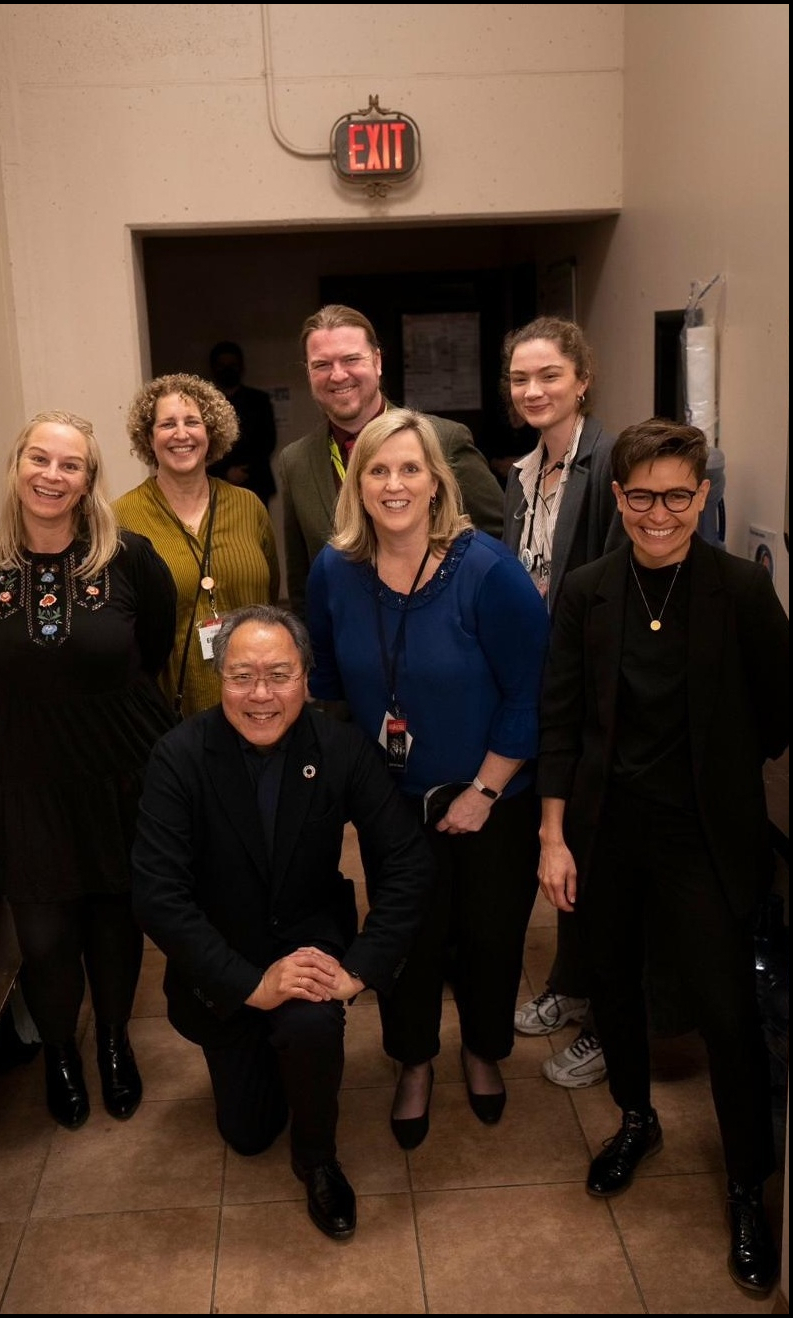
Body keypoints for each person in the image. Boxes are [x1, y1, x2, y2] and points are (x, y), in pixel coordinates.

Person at [536, 418, 788, 1296]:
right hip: (605, 835)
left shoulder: (739, 593)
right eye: (640, 495)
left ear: (703, 497)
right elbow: (560, 721)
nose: (658, 512)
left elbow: (778, 714)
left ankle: (747, 1186)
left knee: (727, 1014)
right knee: (614, 991)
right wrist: (553, 836)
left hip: (705, 840)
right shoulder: (588, 592)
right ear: (617, 498)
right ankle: (637, 1119)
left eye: (677, 495)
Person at [130, 605, 435, 1241]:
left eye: (279, 675)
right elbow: (160, 896)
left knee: (312, 1020)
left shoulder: (340, 748)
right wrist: (250, 984)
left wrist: (359, 968)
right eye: (242, 677)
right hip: (223, 959)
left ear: (306, 678)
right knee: (247, 1134)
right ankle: (268, 1056)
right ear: (220, 680)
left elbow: (407, 859)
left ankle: (319, 1160)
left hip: (309, 941)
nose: (261, 695)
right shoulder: (178, 757)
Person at [305, 408, 550, 1149]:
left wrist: (483, 792)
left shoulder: (488, 572)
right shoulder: (333, 570)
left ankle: (482, 1051)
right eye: (378, 469)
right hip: (392, 801)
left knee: (488, 935)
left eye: (411, 468)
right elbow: (325, 680)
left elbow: (531, 691)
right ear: (357, 483)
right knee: (405, 936)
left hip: (490, 797)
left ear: (438, 482)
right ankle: (413, 1061)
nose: (394, 483)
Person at [0, 410, 178, 1130]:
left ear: (88, 480)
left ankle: (112, 1044)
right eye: (39, 459)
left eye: (70, 464)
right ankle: (60, 1053)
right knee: (44, 938)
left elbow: (155, 653)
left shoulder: (132, 557)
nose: (52, 475)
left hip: (122, 771)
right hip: (28, 774)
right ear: (18, 468)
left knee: (115, 918)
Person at [501, 316, 625, 1090]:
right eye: (520, 379)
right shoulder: (520, 474)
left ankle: (612, 1020)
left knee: (601, 859)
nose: (533, 390)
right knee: (565, 849)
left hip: (596, 695)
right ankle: (574, 986)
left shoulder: (609, 462)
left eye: (548, 375)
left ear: (582, 379)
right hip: (544, 691)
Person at [279, 303, 505, 618]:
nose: (338, 374)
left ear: (377, 361)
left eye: (351, 359)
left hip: (442, 640)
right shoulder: (295, 462)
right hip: (348, 653)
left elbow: (501, 536)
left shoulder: (443, 440)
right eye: (322, 364)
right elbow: (303, 586)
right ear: (308, 373)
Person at [113, 373, 280, 718]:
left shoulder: (249, 506)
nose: (181, 434)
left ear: (211, 432)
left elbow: (270, 602)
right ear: (148, 437)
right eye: (167, 424)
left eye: (193, 421)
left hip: (258, 705)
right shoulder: (121, 518)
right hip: (166, 714)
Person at [205, 340, 278, 508]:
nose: (228, 369)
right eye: (222, 365)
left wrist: (245, 470)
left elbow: (268, 441)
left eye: (232, 365)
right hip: (215, 482)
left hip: (256, 481)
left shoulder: (259, 400)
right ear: (213, 368)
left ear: (241, 366)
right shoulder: (204, 405)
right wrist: (225, 472)